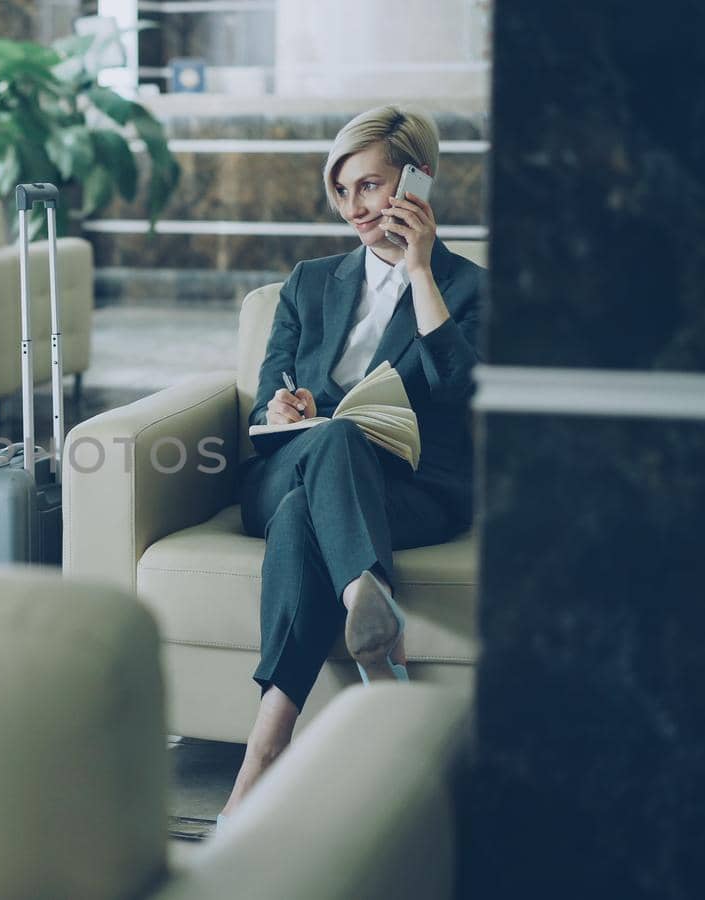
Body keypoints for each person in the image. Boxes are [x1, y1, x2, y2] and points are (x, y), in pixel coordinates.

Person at [218, 105, 485, 821]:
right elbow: (265, 401)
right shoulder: (308, 283)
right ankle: (370, 618)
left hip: (408, 490)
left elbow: (463, 389)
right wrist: (281, 412)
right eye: (345, 191)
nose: (359, 207)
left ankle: (261, 759)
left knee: (309, 513)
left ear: (418, 181)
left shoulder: (468, 288)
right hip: (293, 465)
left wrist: (421, 270)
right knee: (330, 442)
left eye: (373, 185)